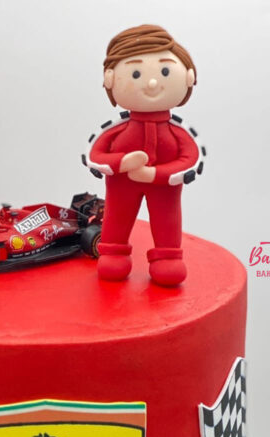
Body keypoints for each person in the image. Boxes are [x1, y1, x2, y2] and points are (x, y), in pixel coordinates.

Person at [88, 25, 199, 286]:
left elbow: (191, 160)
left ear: (189, 77)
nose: (151, 83)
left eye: (164, 71)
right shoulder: (115, 129)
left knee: (167, 220)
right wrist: (121, 162)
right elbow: (94, 155)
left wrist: (155, 174)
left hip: (165, 190)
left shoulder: (179, 132)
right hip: (121, 186)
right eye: (136, 73)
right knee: (117, 217)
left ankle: (167, 256)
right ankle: (113, 251)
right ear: (110, 79)